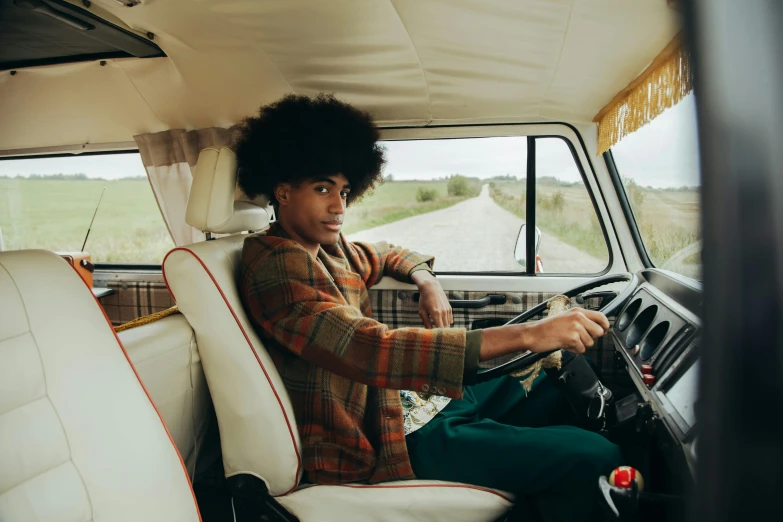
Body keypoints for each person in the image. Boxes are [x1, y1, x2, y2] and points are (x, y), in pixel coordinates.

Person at [237, 94, 622, 521]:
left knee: (549, 370)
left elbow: (386, 253)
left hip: (409, 401)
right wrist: (527, 334)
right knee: (595, 455)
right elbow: (367, 349)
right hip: (383, 436)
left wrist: (427, 281)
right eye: (323, 188)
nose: (339, 207)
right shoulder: (276, 263)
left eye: (344, 191)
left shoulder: (326, 247)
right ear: (283, 190)